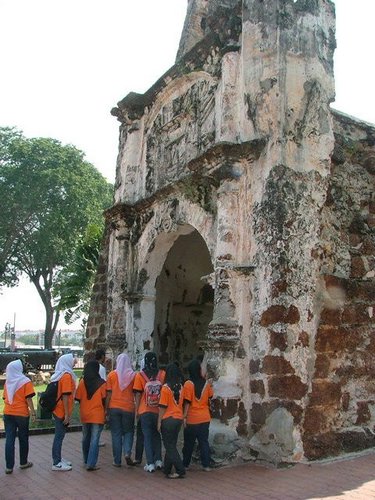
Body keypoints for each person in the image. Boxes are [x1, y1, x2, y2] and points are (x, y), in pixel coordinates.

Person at [133, 352, 165, 472]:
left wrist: (136, 411)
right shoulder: (162, 374)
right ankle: (158, 460)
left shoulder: (140, 376)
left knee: (147, 436)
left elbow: (137, 394)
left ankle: (150, 463)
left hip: (144, 409)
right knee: (157, 435)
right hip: (158, 410)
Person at [3, 359, 36, 474]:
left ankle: (9, 467)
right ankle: (23, 462)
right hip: (21, 414)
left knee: (9, 439)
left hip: (8, 413)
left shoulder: (8, 382)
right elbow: (28, 399)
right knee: (23, 438)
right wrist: (33, 412)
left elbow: (5, 398)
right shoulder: (25, 381)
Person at [182, 358, 214, 471]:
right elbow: (210, 396)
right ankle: (206, 465)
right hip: (205, 417)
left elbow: (187, 402)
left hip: (192, 418)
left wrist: (184, 417)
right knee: (204, 442)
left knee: (189, 443)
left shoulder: (188, 384)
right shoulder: (206, 384)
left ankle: (185, 464)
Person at [106, 352, 136, 467]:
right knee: (128, 431)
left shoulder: (112, 375)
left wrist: (106, 408)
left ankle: (117, 460)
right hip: (128, 407)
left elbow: (108, 393)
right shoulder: (133, 376)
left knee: (116, 433)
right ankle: (127, 452)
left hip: (114, 407)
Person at [75, 360, 107, 471]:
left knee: (85, 437)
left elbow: (78, 398)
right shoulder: (102, 383)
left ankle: (85, 459)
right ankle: (91, 463)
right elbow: (104, 399)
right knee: (95, 439)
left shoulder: (82, 382)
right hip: (97, 414)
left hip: (85, 413)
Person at [158, 363, 186, 479]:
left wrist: (159, 422)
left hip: (168, 419)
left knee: (169, 446)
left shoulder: (165, 388)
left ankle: (180, 469)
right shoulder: (181, 387)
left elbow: (162, 407)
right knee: (172, 444)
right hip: (178, 418)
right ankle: (167, 468)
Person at [51, 352, 77, 471]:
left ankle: (58, 458)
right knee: (59, 436)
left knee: (59, 436)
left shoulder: (60, 375)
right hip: (61, 411)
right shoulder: (66, 376)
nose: (74, 362)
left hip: (58, 410)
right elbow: (65, 396)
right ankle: (56, 462)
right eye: (72, 361)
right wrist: (67, 414)